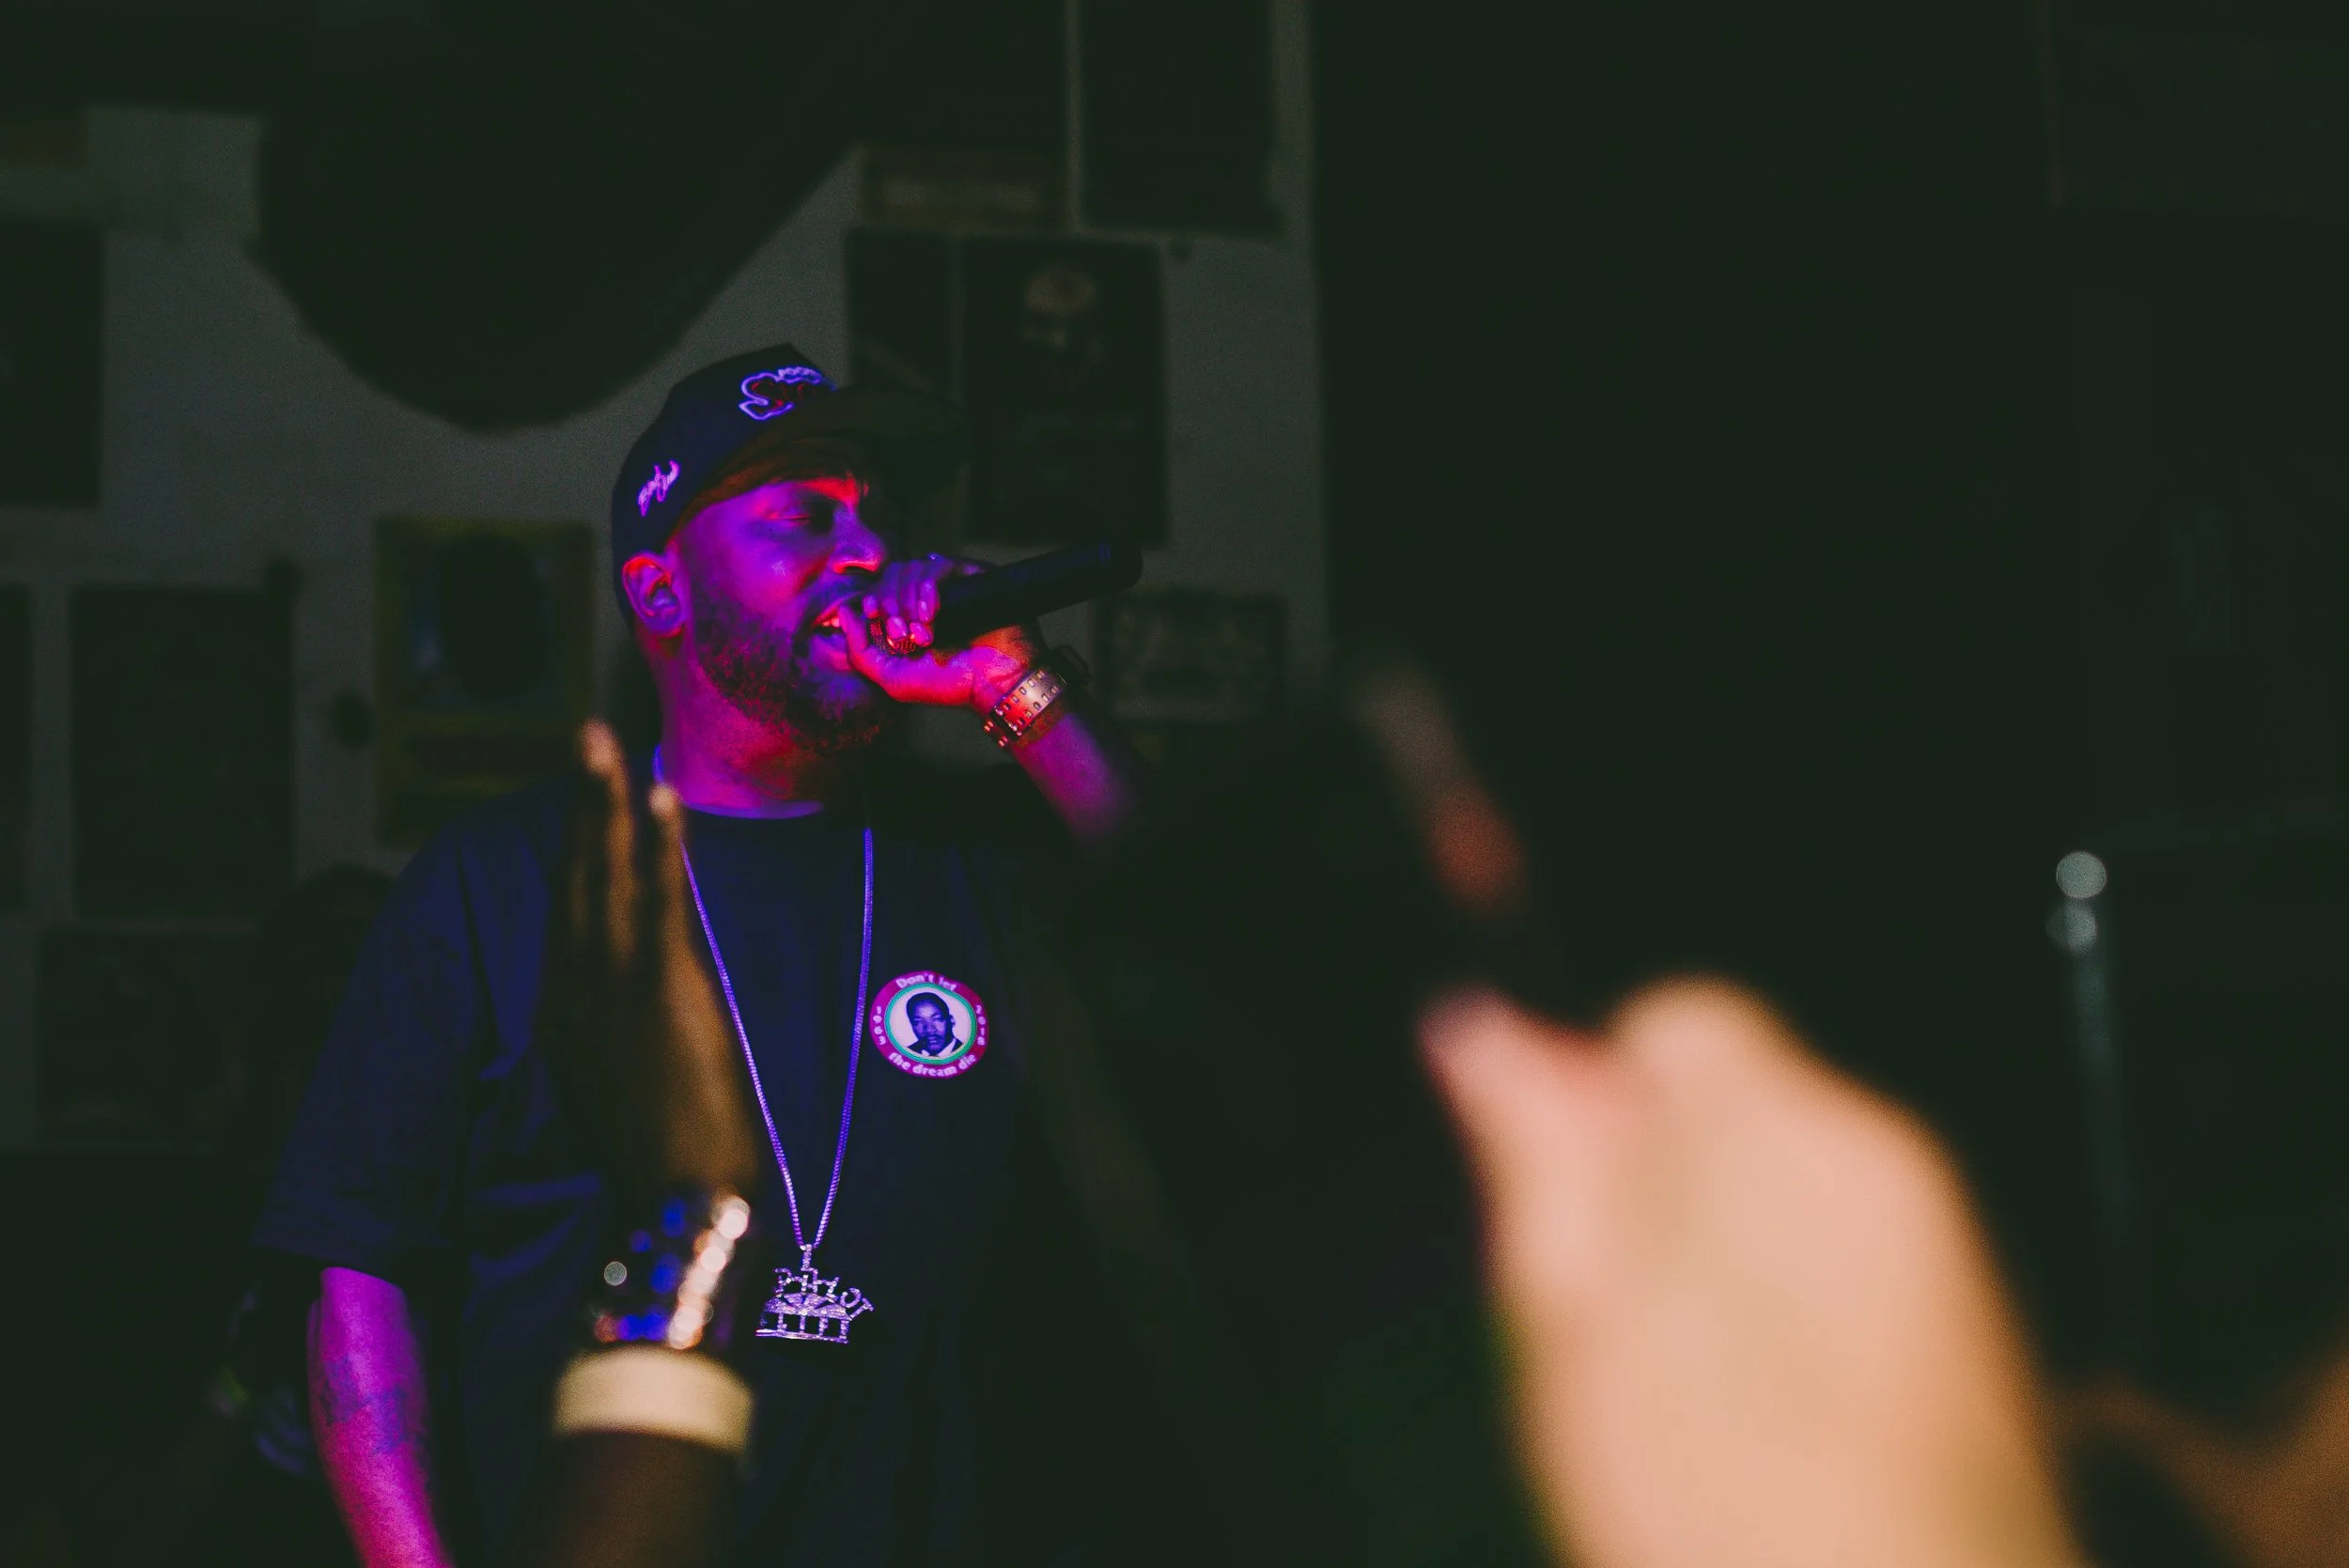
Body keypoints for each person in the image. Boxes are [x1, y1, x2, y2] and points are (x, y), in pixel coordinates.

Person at [254, 343, 1146, 1567]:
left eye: (873, 515)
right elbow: (360, 1277)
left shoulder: (976, 869)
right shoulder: (507, 883)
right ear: (663, 594)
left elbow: (1238, 947)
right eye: (800, 517)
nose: (865, 553)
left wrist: (1017, 683)